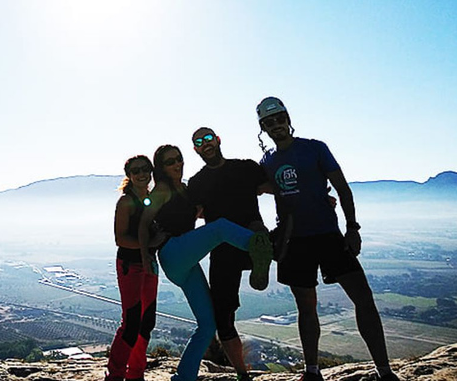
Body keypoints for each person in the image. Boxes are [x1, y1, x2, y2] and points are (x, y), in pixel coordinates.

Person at [255, 96, 400, 381]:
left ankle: (384, 371)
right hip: (293, 241)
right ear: (263, 127)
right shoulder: (267, 161)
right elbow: (269, 189)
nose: (276, 125)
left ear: (288, 118)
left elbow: (343, 188)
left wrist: (353, 227)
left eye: (279, 118)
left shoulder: (315, 148)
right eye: (269, 122)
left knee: (363, 299)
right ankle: (312, 372)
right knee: (306, 308)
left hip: (328, 235)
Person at [138, 145, 273, 381]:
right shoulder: (161, 189)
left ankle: (183, 377)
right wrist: (145, 254)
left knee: (207, 325)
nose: (177, 164)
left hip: (184, 263)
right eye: (170, 162)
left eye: (179, 159)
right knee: (220, 228)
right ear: (161, 167)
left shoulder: (186, 189)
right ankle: (260, 247)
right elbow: (142, 221)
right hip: (173, 253)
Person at [187, 127, 270, 381]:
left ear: (218, 140)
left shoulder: (245, 167)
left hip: (249, 240)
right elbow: (191, 214)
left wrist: (321, 197)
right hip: (225, 252)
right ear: (196, 149)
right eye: (199, 142)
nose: (205, 144)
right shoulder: (197, 182)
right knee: (223, 318)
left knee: (259, 235)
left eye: (208, 138)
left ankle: (261, 251)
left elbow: (278, 189)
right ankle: (242, 374)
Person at [105, 155, 159, 381]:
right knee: (131, 321)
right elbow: (121, 239)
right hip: (131, 264)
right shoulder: (126, 202)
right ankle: (115, 375)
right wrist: (151, 243)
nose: (141, 174)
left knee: (147, 321)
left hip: (149, 264)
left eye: (145, 169)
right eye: (136, 170)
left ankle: (136, 374)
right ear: (129, 175)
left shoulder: (152, 197)